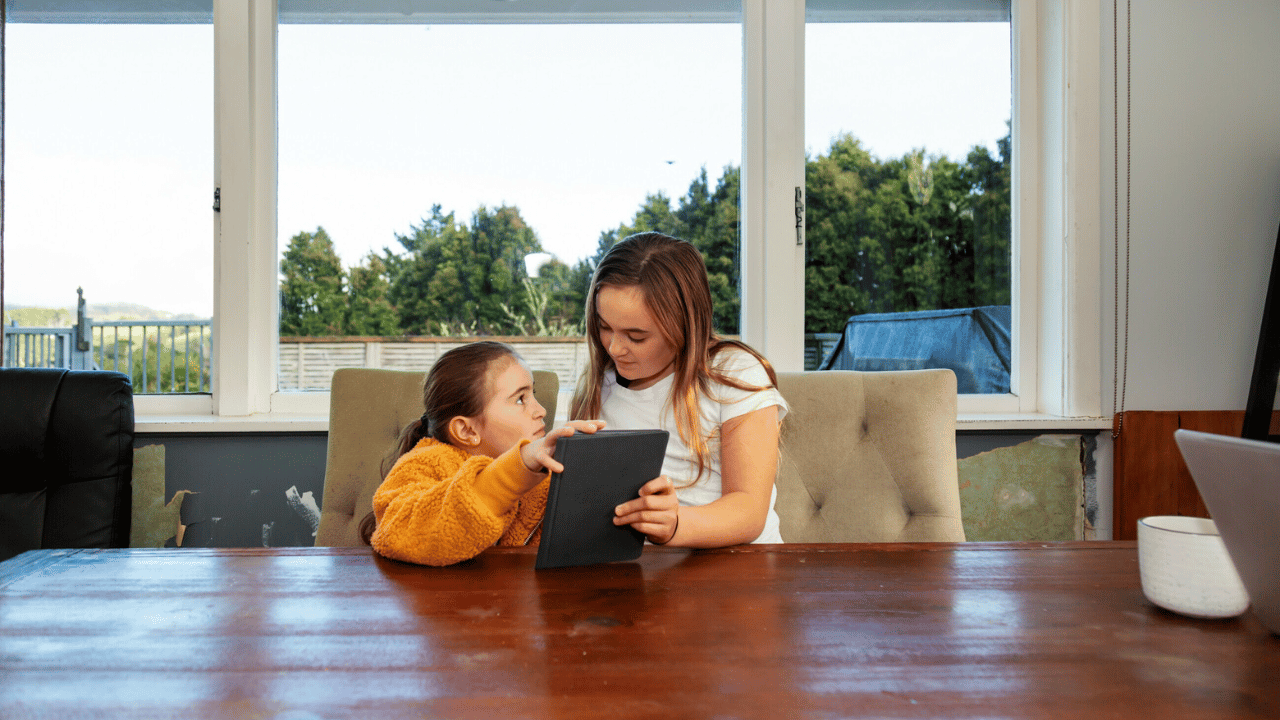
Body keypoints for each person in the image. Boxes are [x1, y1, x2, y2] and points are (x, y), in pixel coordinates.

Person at [363, 340, 677, 566]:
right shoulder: (425, 464)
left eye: (534, 394)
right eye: (519, 399)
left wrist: (649, 515)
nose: (540, 410)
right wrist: (515, 471)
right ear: (467, 430)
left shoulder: (548, 473)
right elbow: (397, 533)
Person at [571, 231, 788, 547]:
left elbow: (749, 510)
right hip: (644, 573)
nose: (615, 348)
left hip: (743, 569)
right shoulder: (598, 386)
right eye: (605, 327)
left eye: (637, 336)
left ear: (685, 326)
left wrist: (674, 525)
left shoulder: (733, 372)